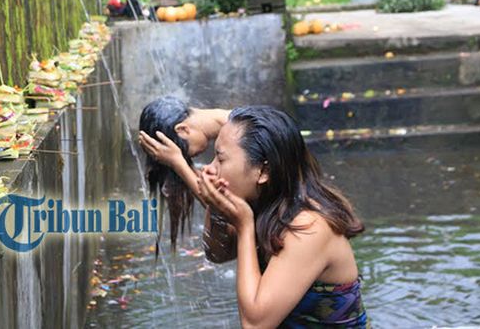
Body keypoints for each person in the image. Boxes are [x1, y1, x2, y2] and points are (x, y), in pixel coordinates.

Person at [142, 105, 368, 327]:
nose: (208, 170)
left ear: (263, 172)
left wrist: (244, 226)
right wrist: (220, 210)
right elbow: (217, 253)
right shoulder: (265, 204)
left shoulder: (308, 227)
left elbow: (254, 324)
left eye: (220, 159)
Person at [138, 96, 231, 253]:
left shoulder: (243, 134)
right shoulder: (233, 128)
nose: (189, 158)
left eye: (183, 153)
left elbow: (227, 211)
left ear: (183, 129)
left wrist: (177, 162)